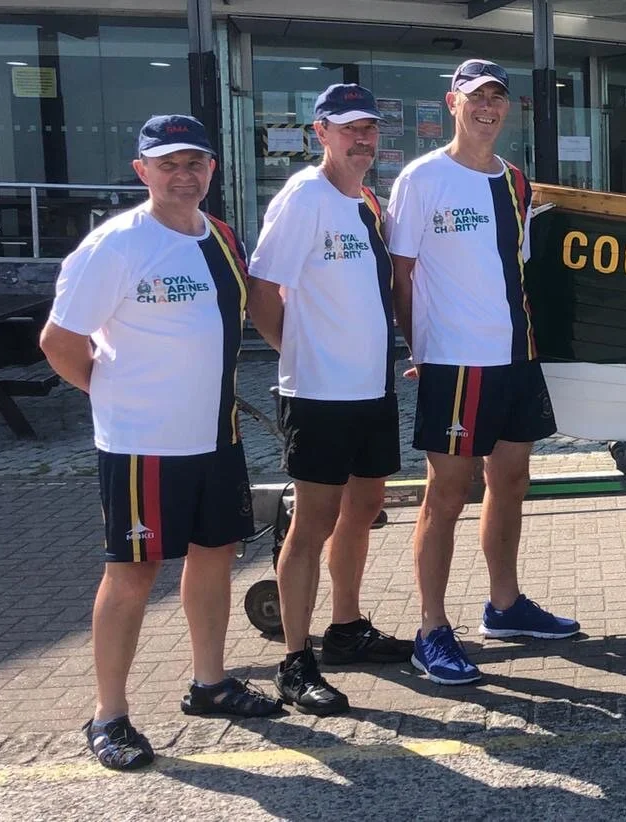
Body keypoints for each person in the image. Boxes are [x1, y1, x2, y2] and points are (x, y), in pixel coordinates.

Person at [40, 114, 283, 771]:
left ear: (211, 169)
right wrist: (114, 395)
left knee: (216, 556)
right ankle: (109, 715)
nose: (183, 175)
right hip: (142, 446)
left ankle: (211, 684)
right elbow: (58, 343)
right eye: (168, 164)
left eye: (194, 163)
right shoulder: (116, 245)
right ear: (141, 171)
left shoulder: (222, 237)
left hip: (216, 437)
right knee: (133, 574)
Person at [387, 59, 577, 685]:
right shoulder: (422, 178)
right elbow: (401, 275)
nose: (487, 108)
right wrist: (419, 349)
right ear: (453, 104)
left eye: (497, 98)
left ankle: (505, 604)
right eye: (476, 98)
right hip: (455, 362)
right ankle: (431, 630)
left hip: (515, 356)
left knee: (511, 481)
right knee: (445, 495)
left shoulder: (515, 181)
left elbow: (516, 270)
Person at [246, 83, 413, 716]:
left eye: (368, 128)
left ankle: (346, 628)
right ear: (321, 133)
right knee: (312, 523)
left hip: (371, 386)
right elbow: (262, 290)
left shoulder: (366, 201)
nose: (361, 139)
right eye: (348, 129)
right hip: (319, 392)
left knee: (364, 507)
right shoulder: (304, 197)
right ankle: (295, 660)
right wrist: (297, 352)